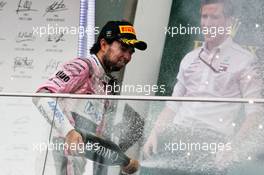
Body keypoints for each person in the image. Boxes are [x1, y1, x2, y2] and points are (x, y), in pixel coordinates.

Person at [143, 0, 262, 173]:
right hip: (176, 138)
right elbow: (172, 105)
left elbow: (255, 113)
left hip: (213, 143)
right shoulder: (189, 58)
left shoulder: (245, 61)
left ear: (229, 21)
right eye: (204, 16)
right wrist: (154, 134)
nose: (207, 23)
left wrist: (232, 147)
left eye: (214, 17)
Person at [33, 20, 147, 175]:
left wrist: (123, 160)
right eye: (123, 48)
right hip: (55, 161)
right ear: (104, 44)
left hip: (75, 165)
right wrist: (69, 132)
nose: (127, 56)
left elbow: (95, 140)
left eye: (131, 52)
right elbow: (42, 96)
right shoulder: (83, 66)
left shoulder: (106, 86)